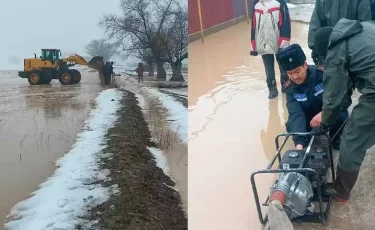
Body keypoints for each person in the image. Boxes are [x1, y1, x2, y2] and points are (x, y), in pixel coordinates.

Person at [312, 18, 375, 202]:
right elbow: (346, 88)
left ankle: (340, 190)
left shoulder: (336, 50)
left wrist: (325, 122)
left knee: (352, 137)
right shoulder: (361, 30)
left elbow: (333, 95)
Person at [275, 44, 349, 151]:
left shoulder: (323, 74)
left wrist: (325, 113)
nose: (295, 76)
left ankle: (335, 138)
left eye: (297, 71)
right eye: (290, 73)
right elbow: (296, 114)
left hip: (329, 110)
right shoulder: (290, 88)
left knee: (342, 116)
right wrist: (299, 145)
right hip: (310, 117)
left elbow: (342, 97)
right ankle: (306, 142)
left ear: (305, 65)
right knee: (291, 125)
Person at [307, 0, 371, 65]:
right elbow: (315, 24)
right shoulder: (321, 1)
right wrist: (315, 49)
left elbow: (365, 28)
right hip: (327, 52)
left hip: (351, 53)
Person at [250, 0, 291, 99]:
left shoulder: (280, 3)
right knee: (268, 68)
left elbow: (286, 23)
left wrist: (284, 40)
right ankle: (272, 88)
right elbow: (254, 26)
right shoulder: (256, 5)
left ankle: (285, 85)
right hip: (263, 42)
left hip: (278, 41)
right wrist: (253, 43)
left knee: (283, 65)